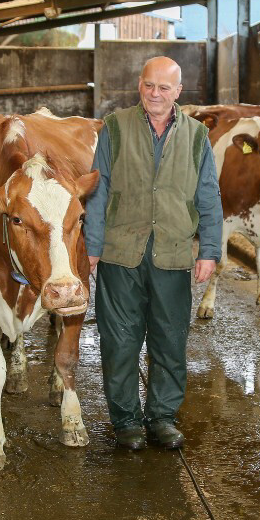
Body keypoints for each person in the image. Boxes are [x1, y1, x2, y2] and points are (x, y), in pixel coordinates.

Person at [85, 56, 222, 451]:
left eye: (165, 87)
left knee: (169, 339)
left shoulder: (197, 136)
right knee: (120, 340)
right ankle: (126, 420)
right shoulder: (115, 126)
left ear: (179, 92)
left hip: (174, 253)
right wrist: (93, 246)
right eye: (149, 85)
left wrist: (209, 249)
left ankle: (162, 417)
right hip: (121, 252)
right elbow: (98, 191)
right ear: (139, 86)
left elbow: (209, 195)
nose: (156, 94)